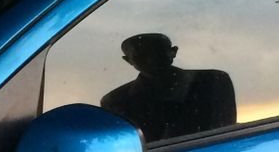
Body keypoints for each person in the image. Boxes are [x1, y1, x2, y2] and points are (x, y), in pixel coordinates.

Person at [101, 32, 237, 143]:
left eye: (157, 52)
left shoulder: (213, 81)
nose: (151, 60)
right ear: (128, 60)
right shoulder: (115, 101)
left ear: (173, 52)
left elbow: (225, 129)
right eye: (141, 56)